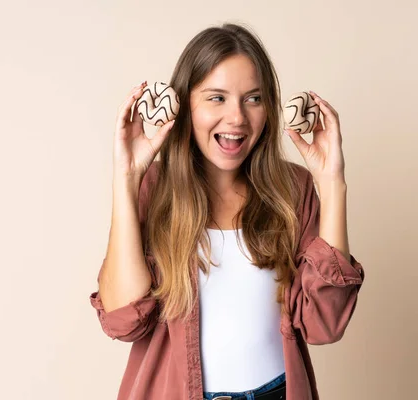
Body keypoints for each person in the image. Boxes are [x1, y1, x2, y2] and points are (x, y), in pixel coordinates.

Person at [89, 22, 365, 400]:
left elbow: (324, 325)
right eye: (216, 98)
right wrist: (127, 177)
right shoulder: (154, 189)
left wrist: (332, 184)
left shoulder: (292, 189)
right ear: (186, 105)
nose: (237, 117)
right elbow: (123, 319)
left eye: (253, 98)